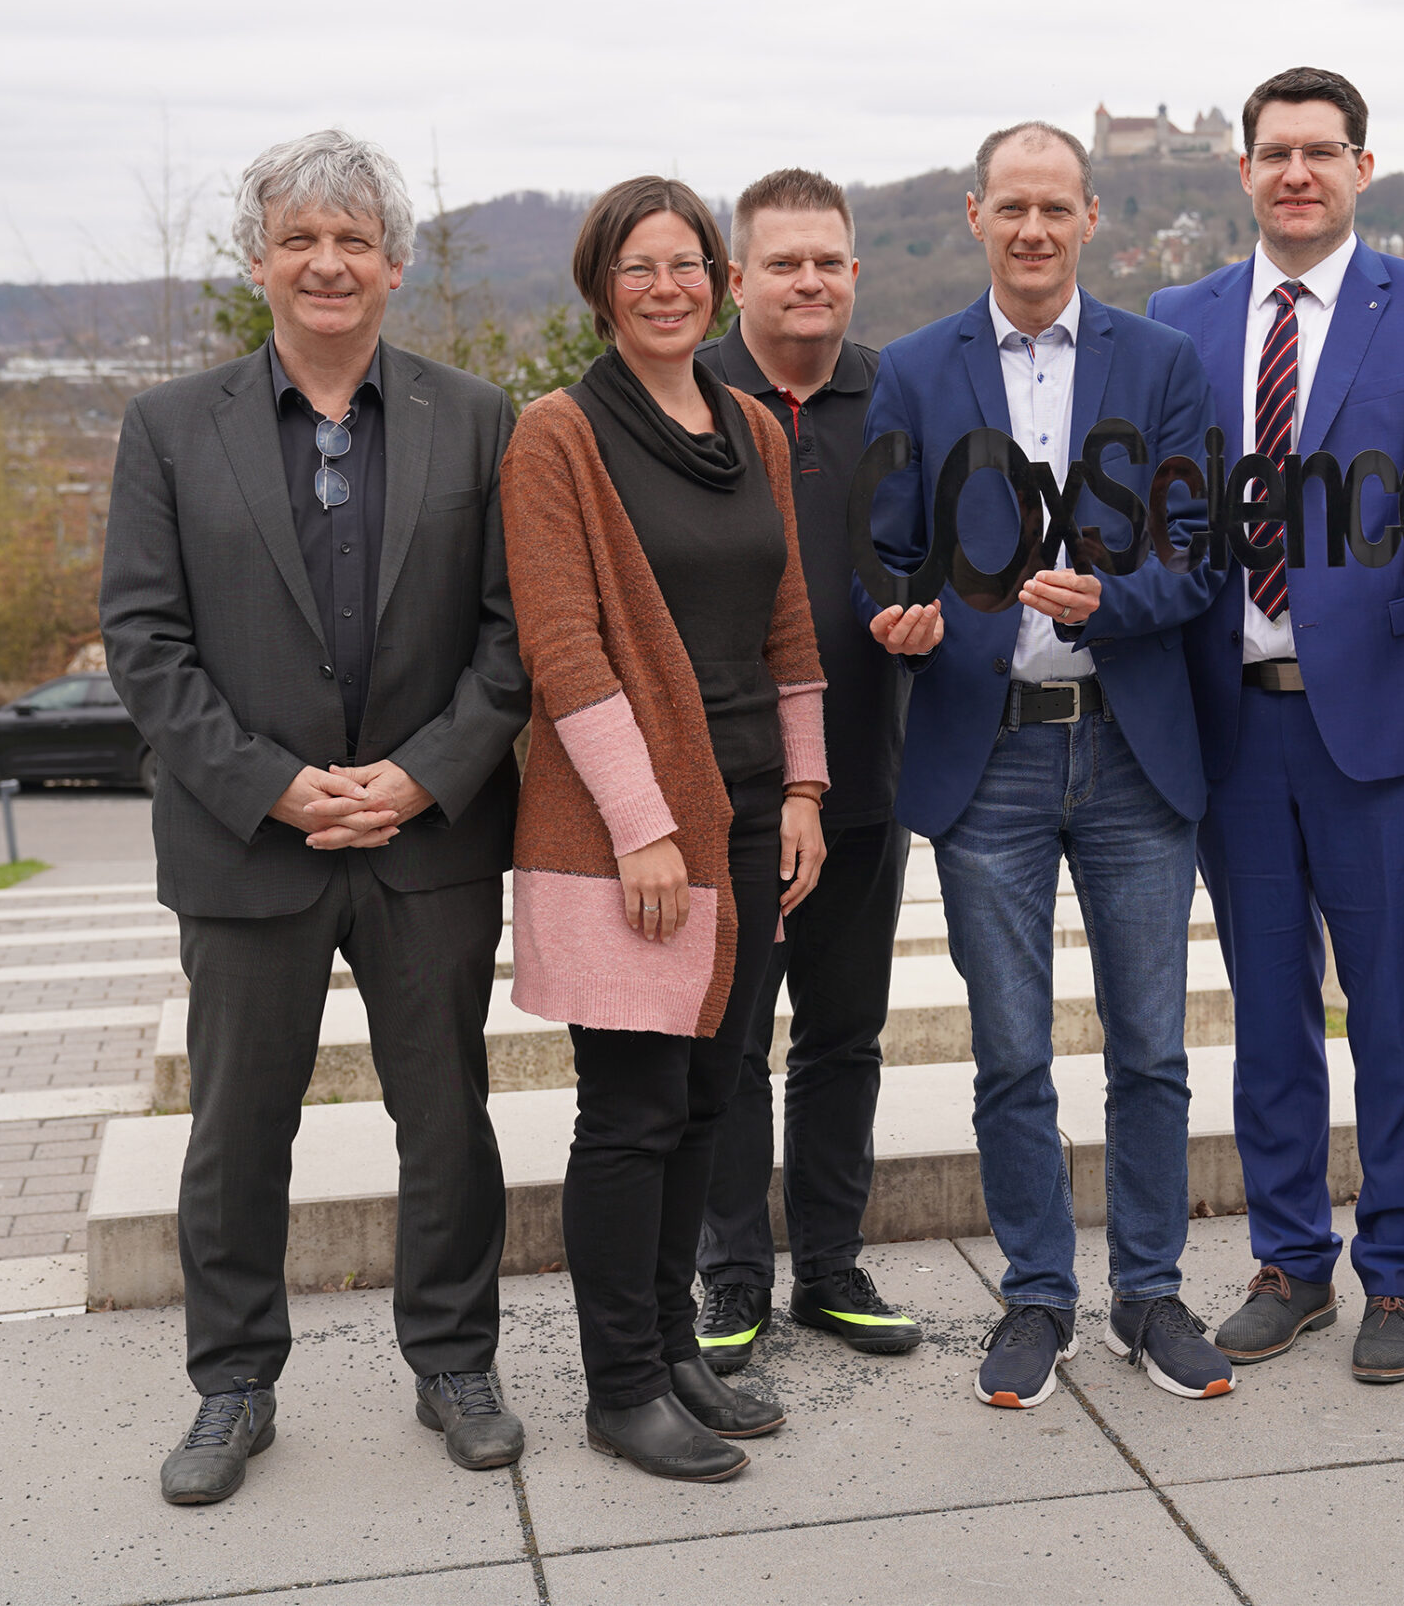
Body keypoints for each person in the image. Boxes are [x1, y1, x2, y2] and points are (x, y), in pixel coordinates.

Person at [102, 130, 530, 1506]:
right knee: (236, 1130)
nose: (328, 262)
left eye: (354, 240)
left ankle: (456, 1361)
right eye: (301, 238)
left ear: (395, 264)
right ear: (259, 263)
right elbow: (145, 642)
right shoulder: (170, 427)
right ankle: (232, 1387)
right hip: (246, 846)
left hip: (431, 840)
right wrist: (272, 785)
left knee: (447, 1116)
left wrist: (419, 775)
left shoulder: (482, 419)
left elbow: (515, 634)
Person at [860, 121, 1231, 1410]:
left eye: (1053, 208)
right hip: (990, 755)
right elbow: (888, 553)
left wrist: (1105, 602)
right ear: (974, 215)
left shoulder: (1164, 363)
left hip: (1133, 752)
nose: (1031, 229)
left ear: (1090, 219)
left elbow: (1199, 554)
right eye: (1009, 207)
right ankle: (1036, 1294)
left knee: (1148, 1048)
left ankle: (1149, 1289)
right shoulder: (910, 371)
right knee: (1011, 1052)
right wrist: (899, 620)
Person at [1146, 67, 1404, 1386]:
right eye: (1274, 152)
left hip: (1387, 733)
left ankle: (1400, 1271)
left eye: (1321, 151)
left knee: (1396, 1012)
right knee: (1270, 1012)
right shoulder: (1177, 320)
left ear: (1362, 166)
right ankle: (1292, 1261)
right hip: (1234, 723)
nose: (1297, 171)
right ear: (1243, 172)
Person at [500, 176, 832, 1483]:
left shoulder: (749, 424)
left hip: (752, 812)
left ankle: (681, 1349)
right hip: (632, 828)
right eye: (637, 266)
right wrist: (643, 828)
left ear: (719, 280)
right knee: (631, 1110)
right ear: (601, 283)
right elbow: (564, 647)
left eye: (686, 262)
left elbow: (789, 620)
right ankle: (621, 1384)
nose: (665, 286)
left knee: (709, 1094)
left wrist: (804, 790)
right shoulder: (557, 437)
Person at [692, 170, 921, 1369]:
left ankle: (829, 1263)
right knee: (728, 1040)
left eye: (828, 261)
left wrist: (929, 616)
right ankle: (731, 1271)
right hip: (727, 789)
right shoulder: (687, 396)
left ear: (854, 272)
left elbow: (944, 554)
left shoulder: (900, 397)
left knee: (844, 1033)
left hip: (866, 782)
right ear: (739, 278)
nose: (809, 281)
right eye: (784, 263)